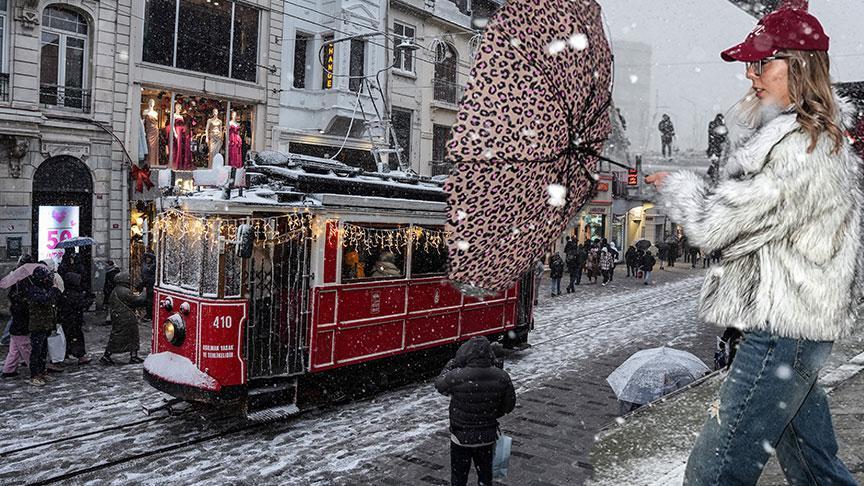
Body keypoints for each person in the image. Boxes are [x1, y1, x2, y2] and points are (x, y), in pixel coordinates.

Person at [647, 5, 860, 483]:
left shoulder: (799, 148)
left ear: (799, 64)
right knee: (815, 468)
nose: (750, 73)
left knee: (713, 472)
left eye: (762, 63)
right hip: (799, 328)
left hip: (782, 331)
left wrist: (678, 187)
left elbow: (715, 225)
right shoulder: (814, 139)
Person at [435, 336, 516, 486]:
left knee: (459, 478)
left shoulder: (457, 376)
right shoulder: (501, 376)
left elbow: (440, 384)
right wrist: (491, 413)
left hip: (460, 438)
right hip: (487, 437)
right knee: (485, 477)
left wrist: (452, 363)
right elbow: (508, 406)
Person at [101, 272, 149, 365]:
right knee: (125, 336)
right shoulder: (123, 291)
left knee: (124, 336)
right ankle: (108, 355)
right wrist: (144, 293)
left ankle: (132, 355)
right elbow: (137, 301)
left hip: (121, 317)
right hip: (126, 318)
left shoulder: (117, 290)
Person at [27, 266, 62, 386]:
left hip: (46, 323)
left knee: (43, 350)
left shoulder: (43, 288)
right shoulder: (33, 290)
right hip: (38, 324)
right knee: (36, 351)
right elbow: (45, 300)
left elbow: (52, 300)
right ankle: (34, 375)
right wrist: (53, 290)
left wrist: (53, 289)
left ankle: (42, 371)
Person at [59, 272, 93, 364]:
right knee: (76, 337)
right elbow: (80, 305)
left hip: (68, 319)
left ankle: (67, 355)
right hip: (73, 320)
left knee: (68, 337)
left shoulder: (65, 292)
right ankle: (80, 355)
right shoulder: (74, 294)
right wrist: (88, 301)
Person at [2, 279, 32, 378]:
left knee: (14, 349)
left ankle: (9, 369)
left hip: (15, 329)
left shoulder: (15, 300)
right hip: (21, 329)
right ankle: (34, 368)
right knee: (25, 349)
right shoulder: (23, 303)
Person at [140, 252, 156, 319]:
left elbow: (153, 277)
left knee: (150, 301)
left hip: (151, 285)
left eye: (149, 258)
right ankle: (148, 314)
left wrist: (147, 281)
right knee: (147, 300)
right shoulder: (145, 265)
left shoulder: (153, 266)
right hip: (146, 285)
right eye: (146, 258)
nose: (147, 259)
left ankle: (150, 314)